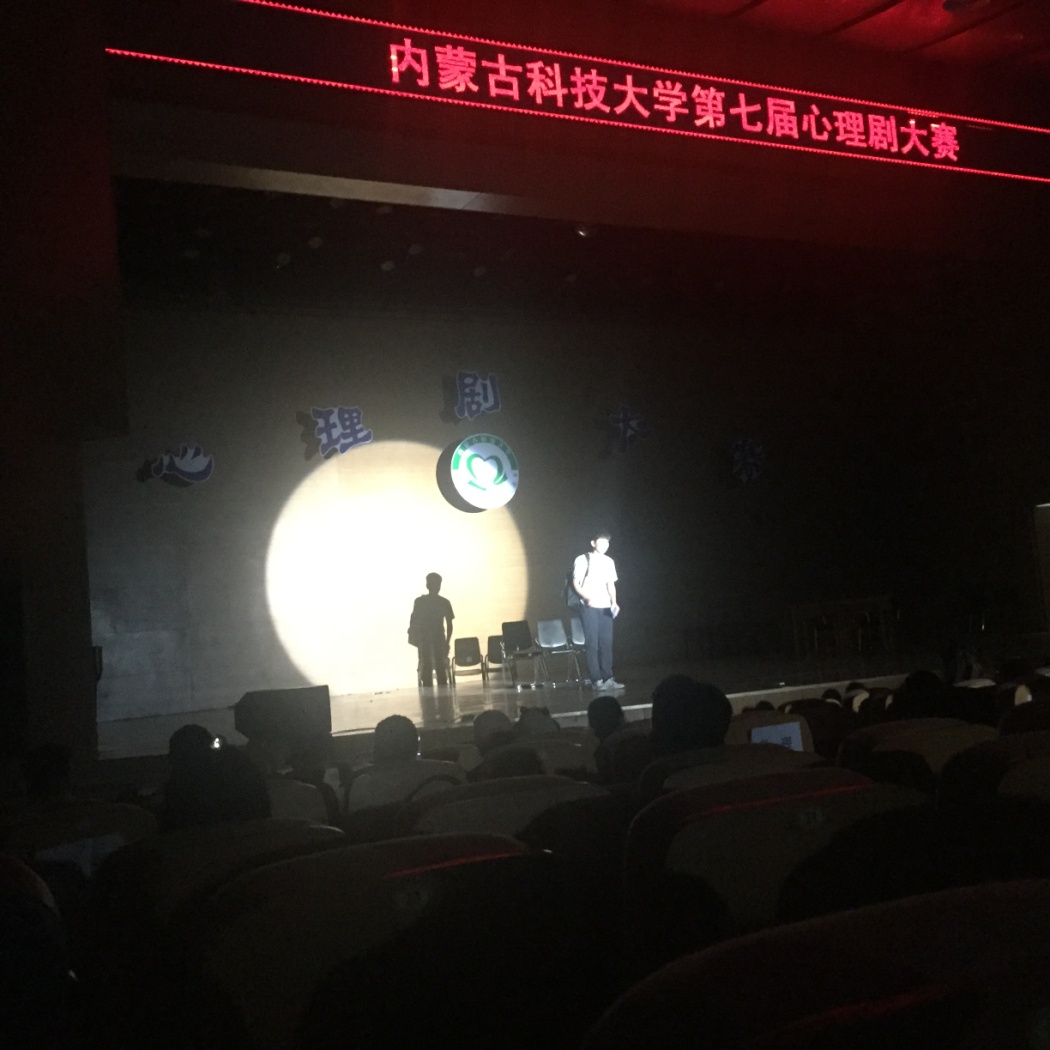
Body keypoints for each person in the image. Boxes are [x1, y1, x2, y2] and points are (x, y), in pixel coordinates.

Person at [572, 530, 623, 691]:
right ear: (593, 543)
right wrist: (586, 598)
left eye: (607, 542)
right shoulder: (582, 559)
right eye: (601, 542)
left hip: (606, 606)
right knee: (592, 644)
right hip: (589, 607)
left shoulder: (609, 561)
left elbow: (611, 584)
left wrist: (614, 602)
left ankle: (608, 677)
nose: (605, 545)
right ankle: (596, 680)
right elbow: (575, 583)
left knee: (606, 643)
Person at [409, 572, 455, 687]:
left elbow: (414, 622)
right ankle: (442, 691)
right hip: (437, 638)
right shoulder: (444, 602)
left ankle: (428, 692)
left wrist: (415, 638)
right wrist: (447, 642)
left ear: (427, 585)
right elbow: (449, 625)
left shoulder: (420, 602)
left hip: (425, 639)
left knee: (427, 667)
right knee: (439, 667)